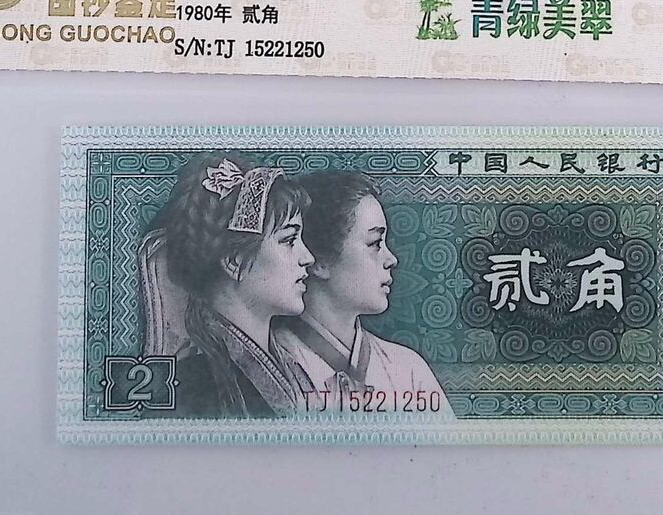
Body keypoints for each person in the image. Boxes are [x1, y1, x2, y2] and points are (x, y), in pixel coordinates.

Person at [139, 154, 317, 418]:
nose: (308, 257)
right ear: (234, 261)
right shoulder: (191, 386)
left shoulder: (292, 366)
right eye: (289, 240)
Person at [274, 171, 452, 418]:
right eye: (375, 243)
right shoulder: (273, 366)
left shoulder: (408, 369)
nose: (391, 259)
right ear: (320, 261)